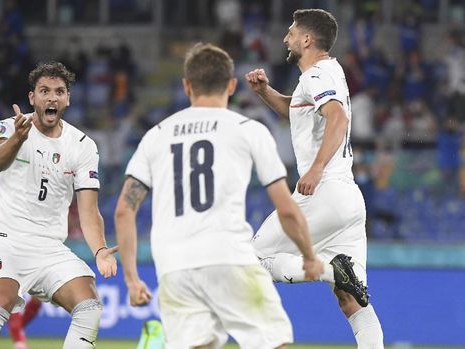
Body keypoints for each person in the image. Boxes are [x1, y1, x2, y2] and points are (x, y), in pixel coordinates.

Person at [115, 43, 324, 349]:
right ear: (232, 85)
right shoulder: (248, 129)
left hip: (174, 266)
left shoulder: (156, 134)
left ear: (187, 86)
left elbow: (123, 211)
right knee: (273, 342)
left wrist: (132, 280)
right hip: (229, 258)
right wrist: (308, 256)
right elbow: (287, 208)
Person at [245, 9, 384, 348]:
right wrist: (265, 92)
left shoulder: (315, 76)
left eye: (291, 32)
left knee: (250, 262)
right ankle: (338, 274)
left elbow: (337, 119)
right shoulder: (330, 72)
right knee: (353, 301)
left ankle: (329, 270)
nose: (285, 38)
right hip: (348, 202)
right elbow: (298, 110)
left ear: (307, 39)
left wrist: (317, 167)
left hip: (322, 192)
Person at [0, 61, 118, 349]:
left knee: (90, 305)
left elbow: (88, 211)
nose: (52, 97)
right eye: (44, 91)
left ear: (68, 99)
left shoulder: (83, 145)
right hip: (6, 239)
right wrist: (18, 138)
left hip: (50, 248)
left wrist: (100, 250)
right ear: (32, 97)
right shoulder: (7, 127)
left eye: (59, 91)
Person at [0, 171, 43, 349]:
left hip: (36, 241)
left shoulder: (36, 169)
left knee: (39, 298)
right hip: (6, 240)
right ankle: (19, 341)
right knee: (12, 292)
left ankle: (17, 331)